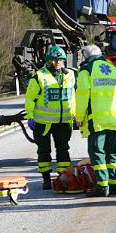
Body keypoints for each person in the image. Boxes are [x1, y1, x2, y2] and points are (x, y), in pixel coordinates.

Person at [75, 45, 116, 197]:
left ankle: (102, 187)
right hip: (114, 119)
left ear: (86, 56)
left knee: (97, 153)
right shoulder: (114, 69)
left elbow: (83, 95)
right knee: (112, 153)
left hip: (96, 120)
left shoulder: (87, 69)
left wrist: (79, 117)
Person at [24, 45, 76, 190]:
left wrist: (75, 115)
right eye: (54, 60)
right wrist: (30, 117)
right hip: (43, 123)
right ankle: (46, 179)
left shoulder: (70, 75)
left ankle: (63, 177)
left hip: (63, 121)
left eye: (60, 60)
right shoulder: (39, 76)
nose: (57, 62)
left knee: (63, 150)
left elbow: (73, 96)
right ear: (48, 60)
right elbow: (30, 99)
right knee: (43, 151)